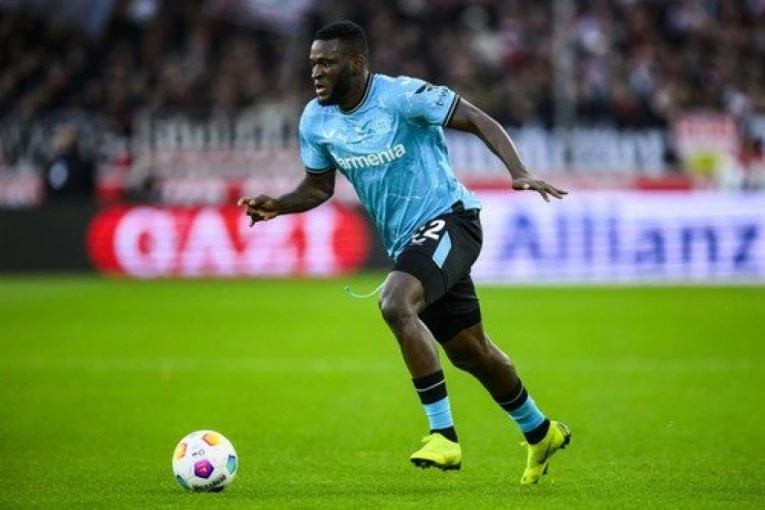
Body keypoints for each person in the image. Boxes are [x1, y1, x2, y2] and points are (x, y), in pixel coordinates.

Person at [238, 21, 571, 484]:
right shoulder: (316, 119)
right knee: (470, 352)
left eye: (327, 62)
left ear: (356, 64)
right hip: (410, 243)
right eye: (313, 63)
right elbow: (318, 187)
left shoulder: (403, 96)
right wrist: (280, 204)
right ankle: (540, 430)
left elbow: (477, 118)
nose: (316, 72)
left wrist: (518, 171)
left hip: (452, 220)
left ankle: (443, 436)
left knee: (395, 302)